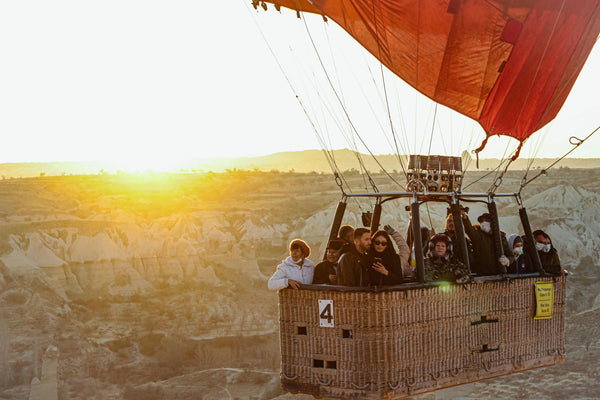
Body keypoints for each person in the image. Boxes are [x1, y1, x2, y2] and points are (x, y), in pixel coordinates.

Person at [462, 211, 513, 275]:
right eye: (481, 221)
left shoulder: (501, 237)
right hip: (483, 275)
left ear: (492, 223)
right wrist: (464, 217)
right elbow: (469, 229)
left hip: (499, 275)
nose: (483, 223)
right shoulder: (478, 235)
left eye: (486, 220)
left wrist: (507, 260)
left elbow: (511, 255)